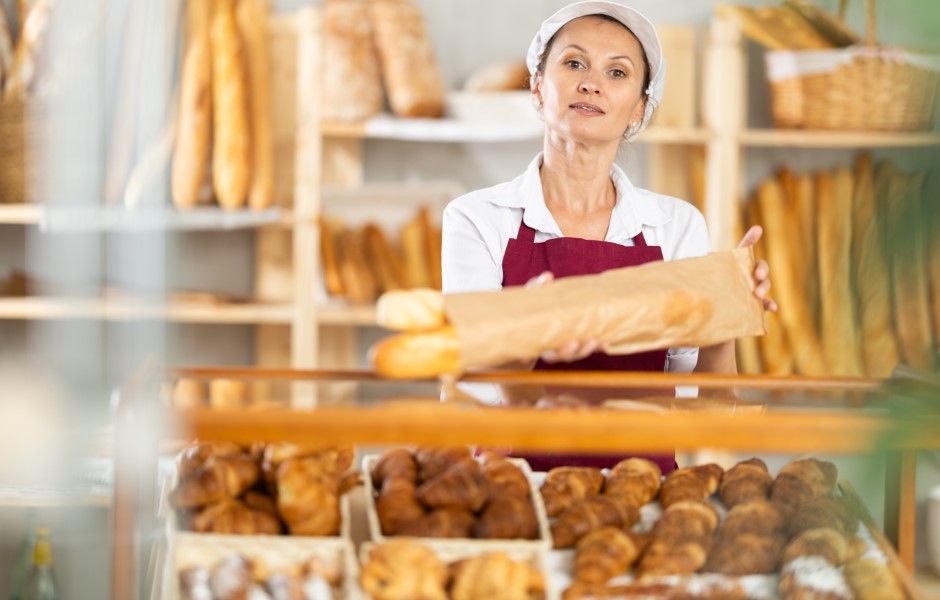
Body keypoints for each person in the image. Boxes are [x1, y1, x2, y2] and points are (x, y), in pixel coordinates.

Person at [441, 1, 776, 473]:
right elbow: (471, 389)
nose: (591, 82)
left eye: (617, 73)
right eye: (574, 63)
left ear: (638, 109)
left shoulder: (677, 226)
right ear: (538, 88)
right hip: (511, 492)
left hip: (641, 494)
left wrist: (727, 315)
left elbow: (701, 407)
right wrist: (533, 337)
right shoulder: (479, 218)